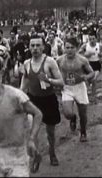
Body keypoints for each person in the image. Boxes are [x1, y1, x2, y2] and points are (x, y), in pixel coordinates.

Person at [20, 35, 64, 166]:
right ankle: (36, 156)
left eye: (38, 45)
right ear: (29, 47)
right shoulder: (27, 63)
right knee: (34, 131)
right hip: (33, 100)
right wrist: (19, 93)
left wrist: (48, 80)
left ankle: (52, 152)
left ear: (43, 47)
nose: (35, 48)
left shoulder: (50, 62)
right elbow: (25, 80)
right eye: (32, 45)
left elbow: (61, 82)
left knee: (50, 132)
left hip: (49, 100)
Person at [57, 38, 95, 142]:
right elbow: (54, 71)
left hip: (79, 87)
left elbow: (92, 73)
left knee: (83, 113)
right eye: (67, 47)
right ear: (64, 48)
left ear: (77, 48)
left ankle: (83, 132)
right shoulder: (59, 60)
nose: (69, 50)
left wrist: (87, 77)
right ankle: (73, 118)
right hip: (67, 87)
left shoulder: (82, 60)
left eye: (72, 48)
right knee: (67, 113)